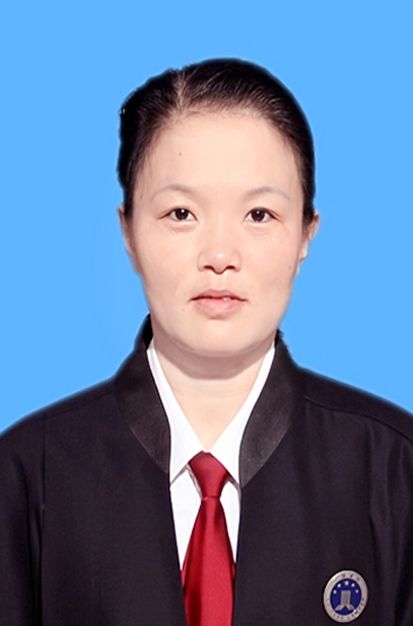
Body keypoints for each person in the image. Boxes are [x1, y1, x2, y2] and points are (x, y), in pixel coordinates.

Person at [0, 58, 412, 626]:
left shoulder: (394, 470)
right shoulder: (27, 475)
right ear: (128, 231)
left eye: (259, 214)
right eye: (181, 213)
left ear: (305, 234)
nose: (220, 255)